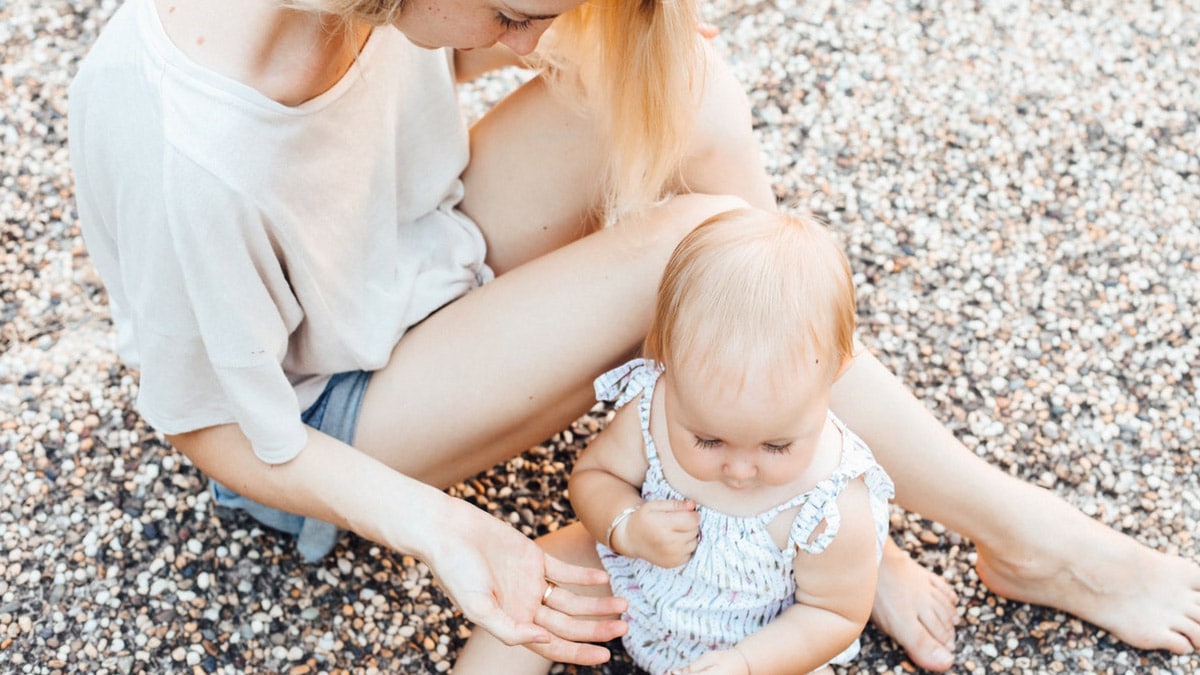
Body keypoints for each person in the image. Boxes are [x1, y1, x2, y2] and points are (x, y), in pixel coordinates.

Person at [66, 0, 1200, 670]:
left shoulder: (375, 13)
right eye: (517, 14)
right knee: (691, 245)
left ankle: (826, 490)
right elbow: (212, 429)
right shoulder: (182, 139)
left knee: (680, 77)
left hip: (421, 254)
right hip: (330, 416)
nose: (537, 33)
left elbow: (452, 69)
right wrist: (452, 534)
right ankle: (1030, 536)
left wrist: (515, 44)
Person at [457, 207, 897, 674]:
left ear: (837, 373)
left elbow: (833, 614)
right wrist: (625, 525)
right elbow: (595, 475)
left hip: (760, 645)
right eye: (708, 440)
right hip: (638, 581)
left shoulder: (831, 505)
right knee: (534, 581)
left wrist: (747, 664)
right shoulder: (655, 408)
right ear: (665, 360)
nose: (740, 470)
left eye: (776, 446)